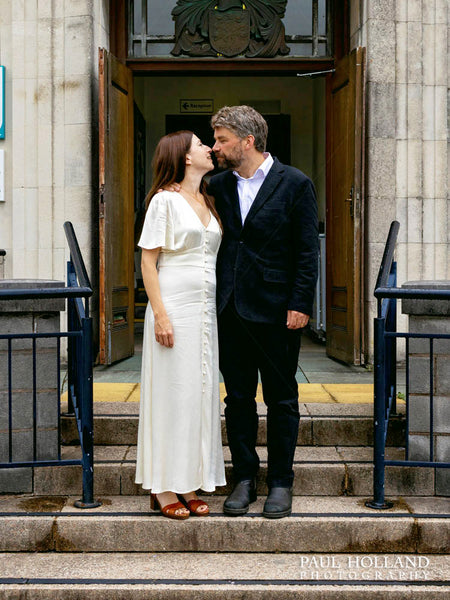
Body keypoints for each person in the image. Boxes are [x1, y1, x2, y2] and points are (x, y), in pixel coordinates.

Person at [208, 105, 319, 518]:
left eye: (222, 139)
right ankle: (243, 479)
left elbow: (307, 251)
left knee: (281, 399)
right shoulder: (214, 185)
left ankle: (281, 482)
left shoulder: (295, 184)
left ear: (247, 140)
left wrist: (300, 303)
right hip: (230, 309)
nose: (216, 147)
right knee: (237, 399)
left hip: (277, 312)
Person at [135, 130, 226, 520]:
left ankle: (189, 482)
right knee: (172, 395)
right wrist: (161, 315)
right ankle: (165, 486)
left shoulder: (206, 198)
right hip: (173, 306)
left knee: (198, 394)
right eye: (201, 144)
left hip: (205, 313)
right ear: (185, 157)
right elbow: (147, 262)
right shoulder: (164, 201)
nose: (209, 148)